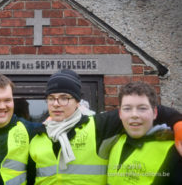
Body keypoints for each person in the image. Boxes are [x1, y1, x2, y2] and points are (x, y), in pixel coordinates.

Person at [27, 69, 182, 185]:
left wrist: (178, 124)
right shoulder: (37, 135)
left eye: (64, 98)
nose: (56, 104)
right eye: (51, 98)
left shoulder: (98, 126)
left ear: (77, 101)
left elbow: (142, 109)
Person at [107, 81, 182, 184]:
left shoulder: (174, 152)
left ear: (155, 113)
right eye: (127, 109)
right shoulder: (116, 141)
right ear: (120, 114)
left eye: (142, 108)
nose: (134, 115)